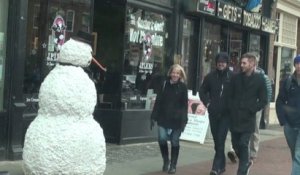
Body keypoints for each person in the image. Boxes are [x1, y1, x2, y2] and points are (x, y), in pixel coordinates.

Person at [229, 52, 267, 175]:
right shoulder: (235, 78)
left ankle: (242, 171)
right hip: (235, 117)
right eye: (241, 63)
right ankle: (246, 163)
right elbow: (230, 95)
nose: (242, 65)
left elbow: (264, 100)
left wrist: (252, 108)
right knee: (235, 145)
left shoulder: (260, 79)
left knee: (243, 143)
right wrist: (231, 108)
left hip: (248, 118)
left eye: (244, 63)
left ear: (252, 64)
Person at [199, 52, 233, 175]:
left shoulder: (232, 77)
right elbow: (202, 90)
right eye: (219, 62)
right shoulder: (210, 77)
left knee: (220, 139)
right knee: (217, 141)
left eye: (223, 62)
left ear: (227, 63)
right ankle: (222, 166)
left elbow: (237, 94)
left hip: (226, 114)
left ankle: (215, 168)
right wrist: (207, 103)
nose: (221, 64)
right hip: (213, 113)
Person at [150, 64, 188, 174]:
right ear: (170, 73)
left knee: (174, 141)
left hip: (177, 119)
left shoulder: (182, 87)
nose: (175, 75)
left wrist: (184, 120)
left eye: (177, 73)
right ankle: (166, 159)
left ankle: (173, 165)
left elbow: (185, 105)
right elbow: (158, 101)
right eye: (173, 72)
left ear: (180, 75)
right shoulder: (164, 84)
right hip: (163, 117)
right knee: (162, 138)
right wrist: (153, 116)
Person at [276, 55, 300, 175]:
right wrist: (283, 121)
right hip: (290, 125)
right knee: (294, 154)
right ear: (294, 65)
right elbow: (279, 101)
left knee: (298, 154)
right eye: (297, 63)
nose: (299, 66)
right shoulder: (288, 81)